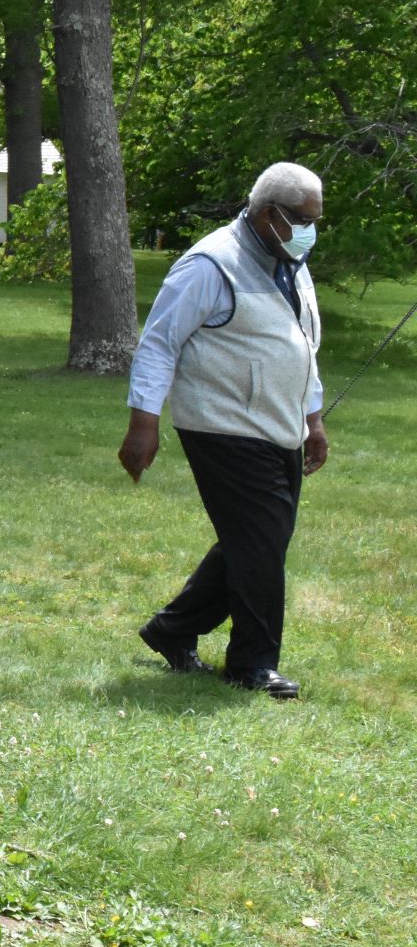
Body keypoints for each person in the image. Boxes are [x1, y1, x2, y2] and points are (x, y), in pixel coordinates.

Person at [118, 161, 329, 699]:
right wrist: (144, 422)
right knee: (260, 541)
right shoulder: (210, 264)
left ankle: (172, 629)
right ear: (266, 214)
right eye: (301, 218)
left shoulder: (291, 259)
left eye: (315, 219)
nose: (310, 229)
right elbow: (160, 342)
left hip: (278, 422)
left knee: (259, 538)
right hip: (222, 422)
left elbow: (302, 344)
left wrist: (313, 417)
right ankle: (252, 664)